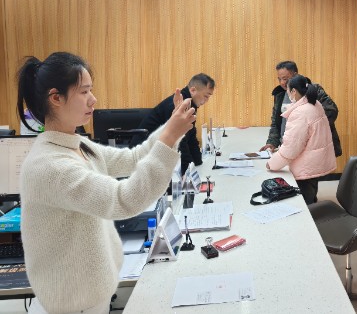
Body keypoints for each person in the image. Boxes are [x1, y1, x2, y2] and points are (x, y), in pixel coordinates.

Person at [16, 52, 195, 313]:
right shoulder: (49, 166)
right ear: (56, 98)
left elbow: (134, 158)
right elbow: (124, 199)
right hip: (73, 305)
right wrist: (169, 135)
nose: (93, 99)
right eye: (84, 92)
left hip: (92, 298)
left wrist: (172, 129)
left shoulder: (77, 145)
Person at [265, 74, 336, 204]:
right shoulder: (315, 104)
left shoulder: (300, 112)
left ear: (293, 91)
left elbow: (291, 149)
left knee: (304, 202)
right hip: (314, 162)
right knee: (311, 196)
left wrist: (272, 164)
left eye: (288, 90)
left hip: (305, 166)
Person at [130, 73, 214, 175]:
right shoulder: (176, 105)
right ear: (193, 90)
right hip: (143, 156)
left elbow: (190, 136)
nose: (206, 100)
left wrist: (198, 163)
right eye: (206, 96)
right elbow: (180, 142)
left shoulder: (190, 103)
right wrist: (190, 172)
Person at [259, 61, 342, 157]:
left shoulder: (312, 90)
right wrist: (272, 142)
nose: (282, 83)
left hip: (314, 150)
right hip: (290, 149)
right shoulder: (280, 95)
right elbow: (276, 123)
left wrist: (307, 128)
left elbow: (331, 111)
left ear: (295, 75)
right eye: (279, 79)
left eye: (285, 79)